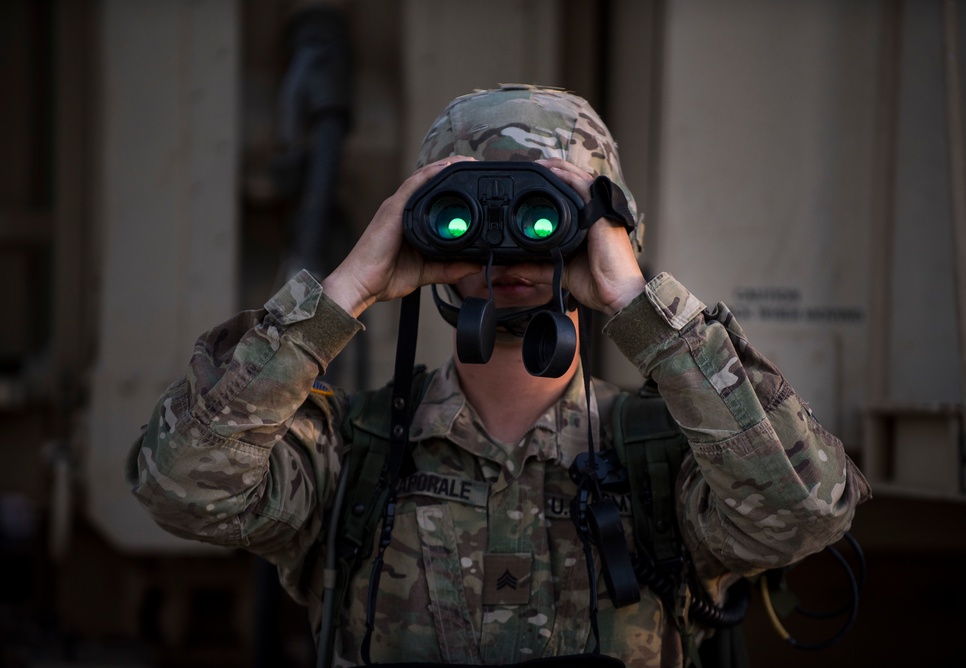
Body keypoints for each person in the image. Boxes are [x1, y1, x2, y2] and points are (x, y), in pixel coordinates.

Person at [126, 84, 870, 667]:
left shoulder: (667, 459)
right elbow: (179, 486)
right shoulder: (353, 454)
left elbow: (808, 508)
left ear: (607, 229)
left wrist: (637, 303)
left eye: (545, 213)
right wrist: (345, 289)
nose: (510, 248)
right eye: (467, 212)